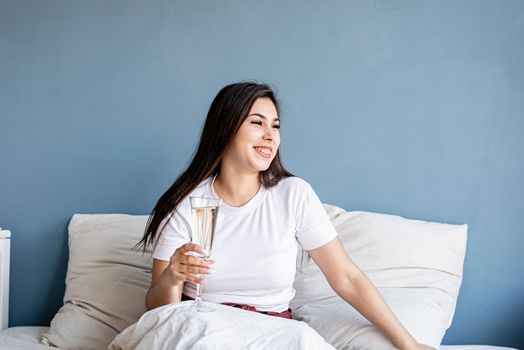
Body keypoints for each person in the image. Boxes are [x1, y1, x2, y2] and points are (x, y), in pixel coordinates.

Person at [139, 82, 434, 349]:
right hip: (205, 327)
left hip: (273, 332)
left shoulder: (293, 195)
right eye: (257, 123)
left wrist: (408, 344)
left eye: (275, 126)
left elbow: (347, 277)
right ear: (225, 129)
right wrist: (171, 279)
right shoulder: (188, 203)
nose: (270, 135)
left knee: (305, 341)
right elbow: (158, 311)